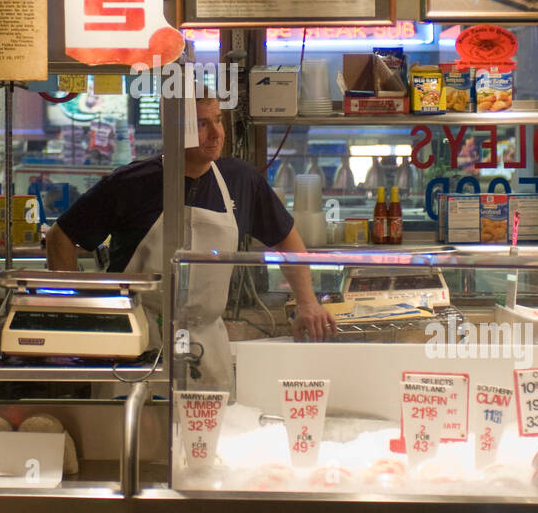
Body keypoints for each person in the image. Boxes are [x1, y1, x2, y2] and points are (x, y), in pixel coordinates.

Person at [47, 95, 336, 391]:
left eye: (218, 120)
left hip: (206, 345)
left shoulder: (240, 180)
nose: (216, 133)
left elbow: (287, 238)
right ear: (175, 130)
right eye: (202, 123)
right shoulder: (132, 183)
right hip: (136, 342)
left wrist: (307, 302)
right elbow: (61, 236)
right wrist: (75, 312)